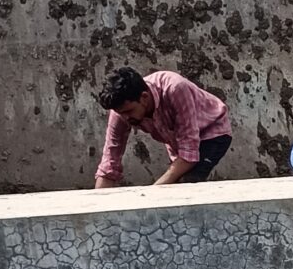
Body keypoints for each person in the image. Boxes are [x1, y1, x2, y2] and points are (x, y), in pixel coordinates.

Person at [94, 66, 230, 188]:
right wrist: (98, 203)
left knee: (186, 183)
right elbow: (109, 161)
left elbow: (189, 153)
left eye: (129, 111)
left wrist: (151, 195)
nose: (125, 118)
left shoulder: (175, 89)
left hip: (212, 130)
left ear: (144, 97)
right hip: (179, 141)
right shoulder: (121, 110)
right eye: (121, 113)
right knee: (174, 187)